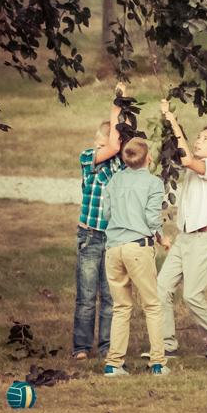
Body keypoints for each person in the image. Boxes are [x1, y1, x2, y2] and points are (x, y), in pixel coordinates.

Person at [154, 99, 207, 363]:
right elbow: (181, 154)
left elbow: (186, 158)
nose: (199, 141)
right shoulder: (195, 166)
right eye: (197, 137)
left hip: (203, 238)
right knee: (161, 287)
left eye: (205, 139)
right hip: (184, 239)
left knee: (191, 295)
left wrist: (172, 118)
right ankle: (167, 345)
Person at [101, 137, 173, 377]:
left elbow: (107, 213)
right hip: (137, 247)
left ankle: (114, 364)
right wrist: (162, 238)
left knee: (121, 307)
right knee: (152, 305)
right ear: (149, 158)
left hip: (113, 249)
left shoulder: (114, 179)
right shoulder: (153, 183)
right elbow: (153, 219)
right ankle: (158, 364)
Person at [72, 82, 127, 360]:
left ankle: (106, 345)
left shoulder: (120, 165)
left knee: (109, 296)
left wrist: (123, 110)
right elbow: (115, 143)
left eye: (100, 141)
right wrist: (116, 104)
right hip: (90, 236)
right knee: (86, 296)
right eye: (96, 140)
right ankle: (81, 347)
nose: (96, 144)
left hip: (113, 238)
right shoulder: (88, 158)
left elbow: (121, 144)